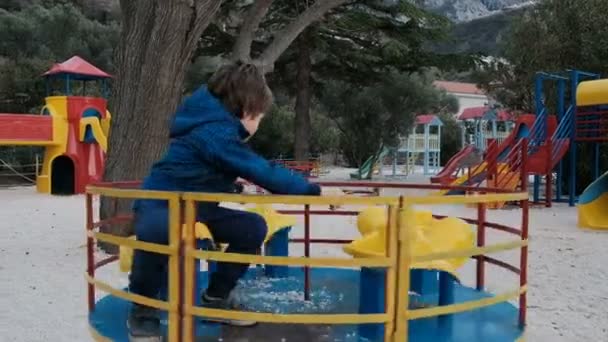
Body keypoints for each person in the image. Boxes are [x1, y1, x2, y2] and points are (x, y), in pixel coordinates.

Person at [127, 62, 322, 340]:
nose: (259, 124)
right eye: (260, 117)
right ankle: (143, 309)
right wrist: (309, 191)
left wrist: (230, 187)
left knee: (252, 227)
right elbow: (258, 168)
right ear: (246, 109)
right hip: (162, 201)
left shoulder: (217, 130)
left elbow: (216, 168)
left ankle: (215, 297)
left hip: (200, 206)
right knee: (156, 232)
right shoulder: (215, 133)